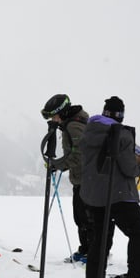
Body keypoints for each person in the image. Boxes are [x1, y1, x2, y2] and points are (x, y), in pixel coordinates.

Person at [80, 96, 140, 278]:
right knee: (139, 235)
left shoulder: (89, 131)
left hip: (94, 194)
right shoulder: (121, 135)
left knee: (101, 236)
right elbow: (129, 168)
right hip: (119, 194)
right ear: (121, 115)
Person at [42, 94, 93, 263]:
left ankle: (90, 253)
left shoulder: (73, 126)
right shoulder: (72, 123)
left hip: (86, 180)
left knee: (84, 218)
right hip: (84, 179)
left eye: (54, 116)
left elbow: (78, 156)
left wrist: (57, 165)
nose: (53, 120)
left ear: (61, 113)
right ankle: (87, 250)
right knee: (82, 217)